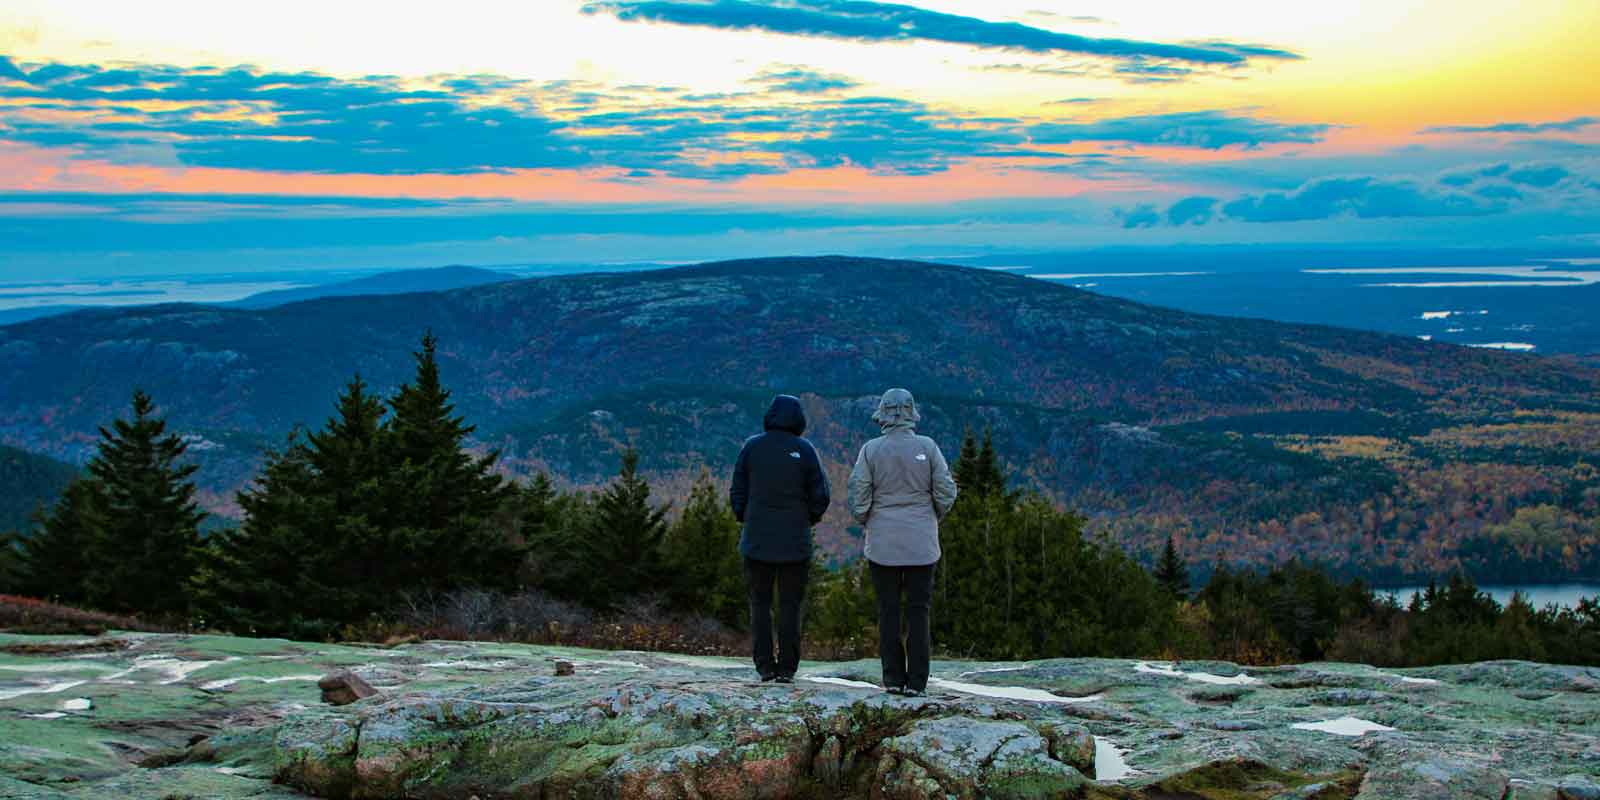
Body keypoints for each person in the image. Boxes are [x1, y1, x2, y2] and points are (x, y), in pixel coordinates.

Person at [847, 388, 957, 697]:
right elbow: (946, 491)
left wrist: (869, 519)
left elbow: (858, 495)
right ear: (912, 413)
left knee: (889, 610)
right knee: (919, 611)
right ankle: (918, 682)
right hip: (922, 542)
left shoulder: (871, 450)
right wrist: (930, 516)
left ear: (882, 415)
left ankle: (893, 679)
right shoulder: (928, 447)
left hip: (882, 543)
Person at [729, 394, 831, 683]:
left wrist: (746, 517)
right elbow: (820, 495)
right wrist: (806, 520)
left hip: (756, 539)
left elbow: (737, 490)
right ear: (798, 419)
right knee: (790, 605)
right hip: (794, 541)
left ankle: (764, 666)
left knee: (759, 604)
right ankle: (787, 668)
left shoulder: (752, 447)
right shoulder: (805, 449)